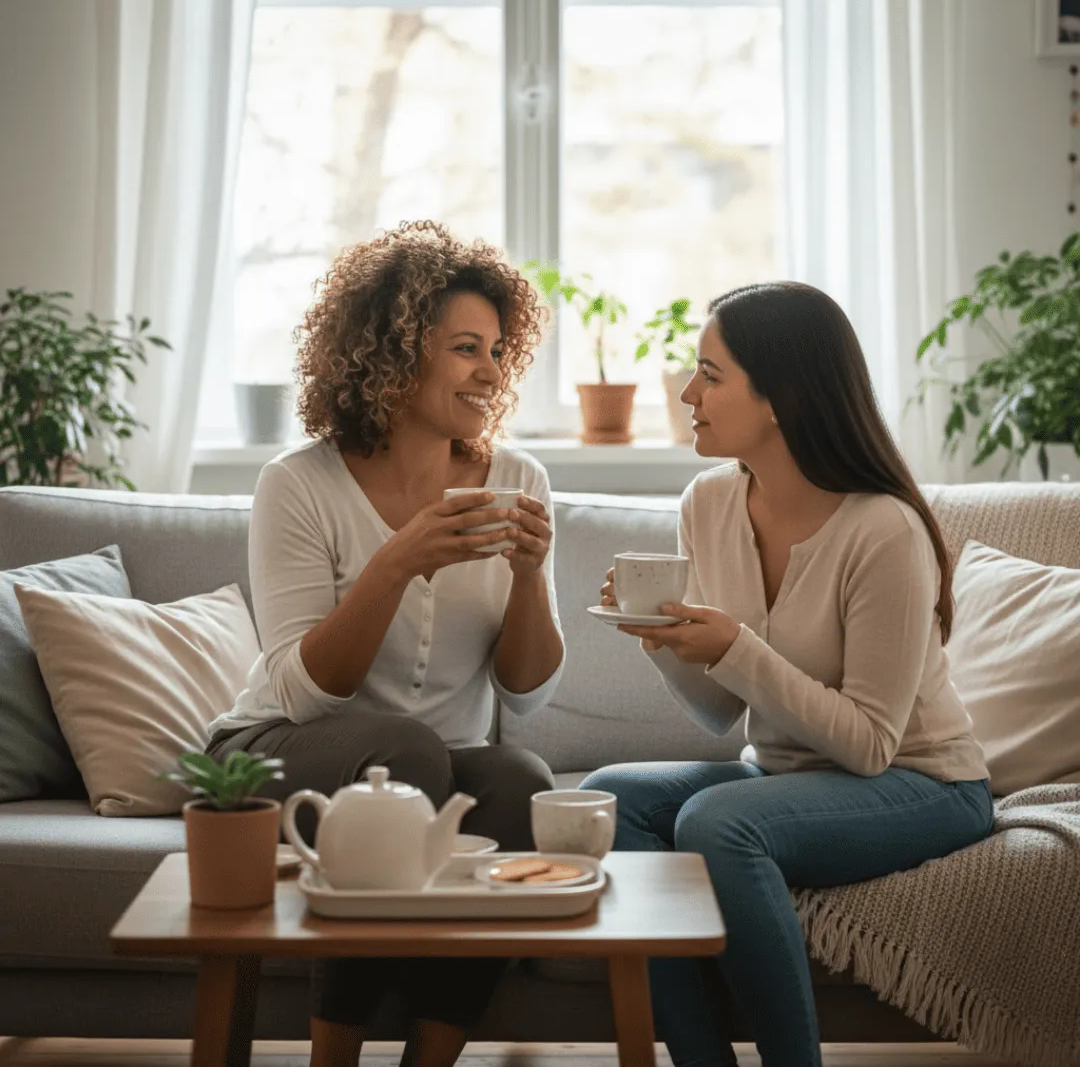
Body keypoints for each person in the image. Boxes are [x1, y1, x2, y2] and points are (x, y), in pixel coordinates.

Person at [583, 282, 993, 1067]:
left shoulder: (882, 529)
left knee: (715, 820)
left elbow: (870, 745)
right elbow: (720, 716)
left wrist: (736, 646)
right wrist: (664, 637)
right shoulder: (708, 502)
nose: (686, 392)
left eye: (710, 373)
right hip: (785, 771)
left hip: (925, 784)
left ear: (780, 398)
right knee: (610, 794)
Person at [205, 221, 565, 1067]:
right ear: (393, 352)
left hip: (437, 757)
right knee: (404, 755)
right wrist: (397, 561)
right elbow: (301, 689)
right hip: (281, 742)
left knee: (518, 777)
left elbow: (526, 693)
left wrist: (528, 576)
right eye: (465, 348)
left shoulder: (518, 479)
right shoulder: (298, 484)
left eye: (498, 349)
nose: (490, 370)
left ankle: (427, 1062)